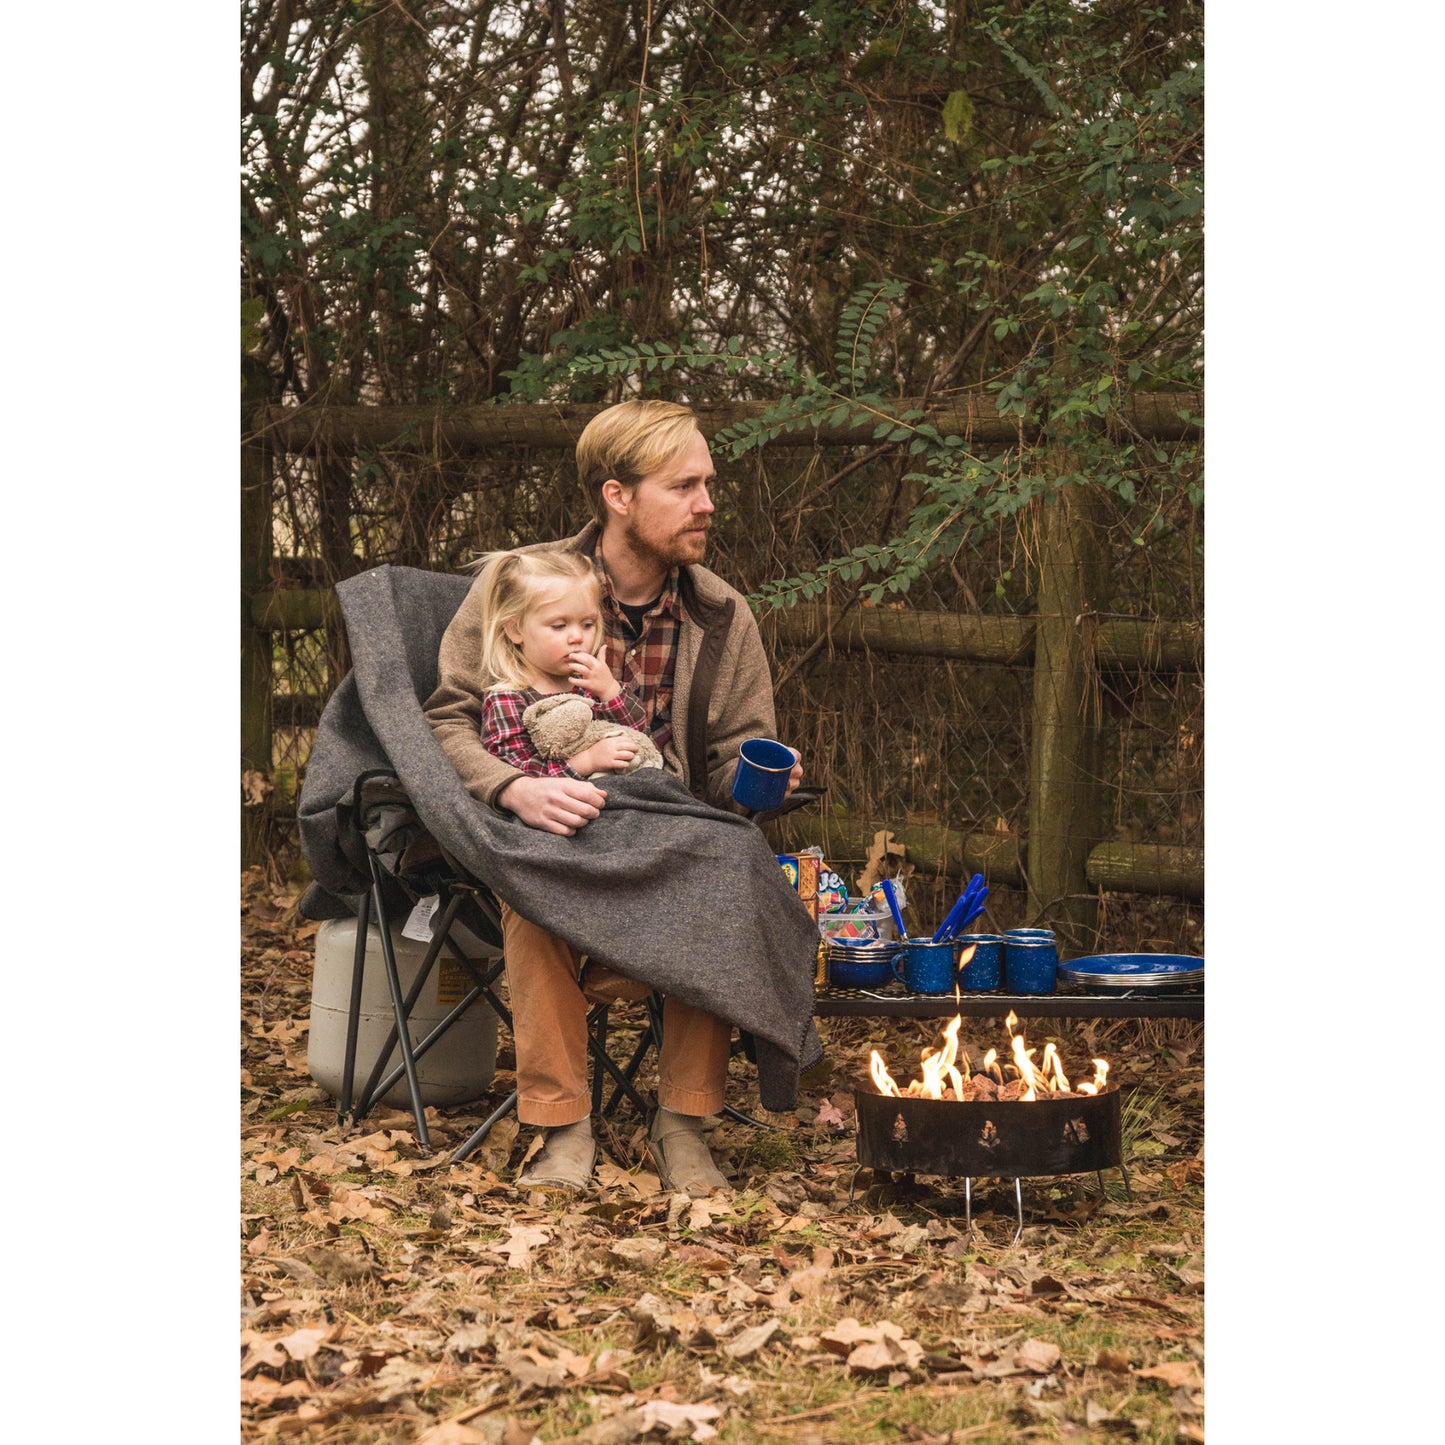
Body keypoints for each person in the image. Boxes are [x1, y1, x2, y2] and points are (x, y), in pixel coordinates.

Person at [425, 399, 803, 1195]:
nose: (708, 502)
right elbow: (448, 716)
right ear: (617, 495)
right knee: (532, 887)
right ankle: (563, 1129)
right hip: (552, 822)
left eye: (708, 483)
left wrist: (764, 771)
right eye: (684, 485)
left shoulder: (723, 616)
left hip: (663, 831)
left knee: (727, 871)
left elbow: (735, 749)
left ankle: (684, 1125)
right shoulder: (523, 584)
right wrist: (513, 785)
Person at [463, 547, 650, 780]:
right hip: (560, 809)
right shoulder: (508, 698)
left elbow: (640, 733)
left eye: (588, 624)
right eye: (560, 626)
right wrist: (587, 762)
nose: (577, 637)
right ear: (515, 629)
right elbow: (515, 772)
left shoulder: (588, 684)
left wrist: (609, 690)